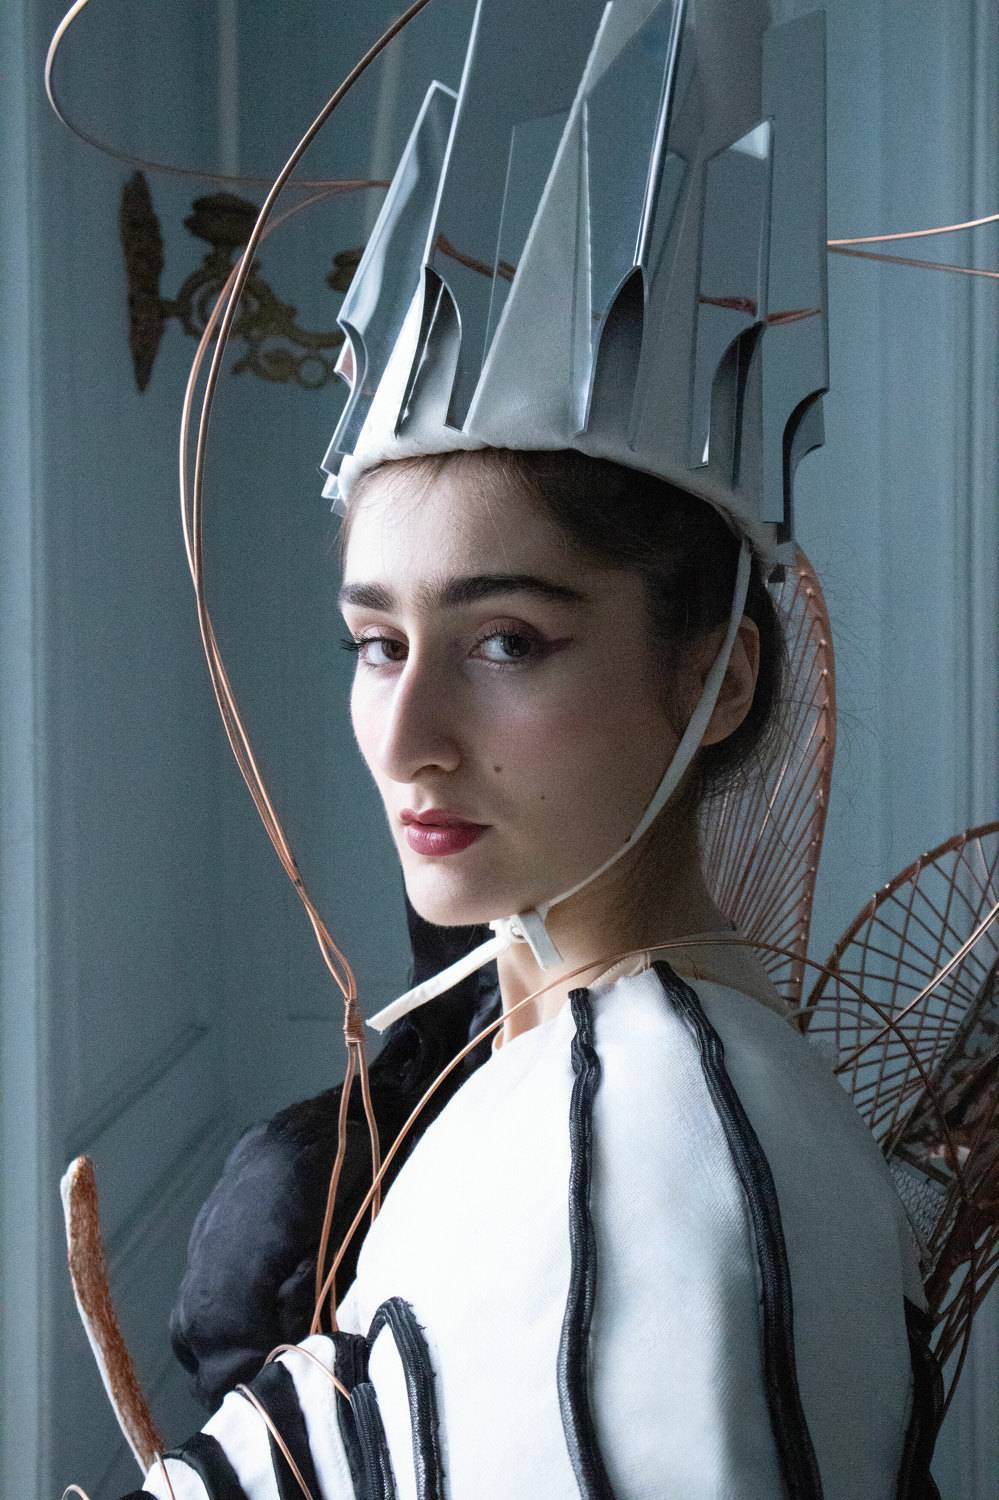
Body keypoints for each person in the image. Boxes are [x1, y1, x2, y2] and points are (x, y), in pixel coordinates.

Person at [95, 2, 946, 1494]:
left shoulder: (644, 1156)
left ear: (718, 679)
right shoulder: (580, 1057)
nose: (406, 739)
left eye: (506, 642)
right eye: (379, 642)